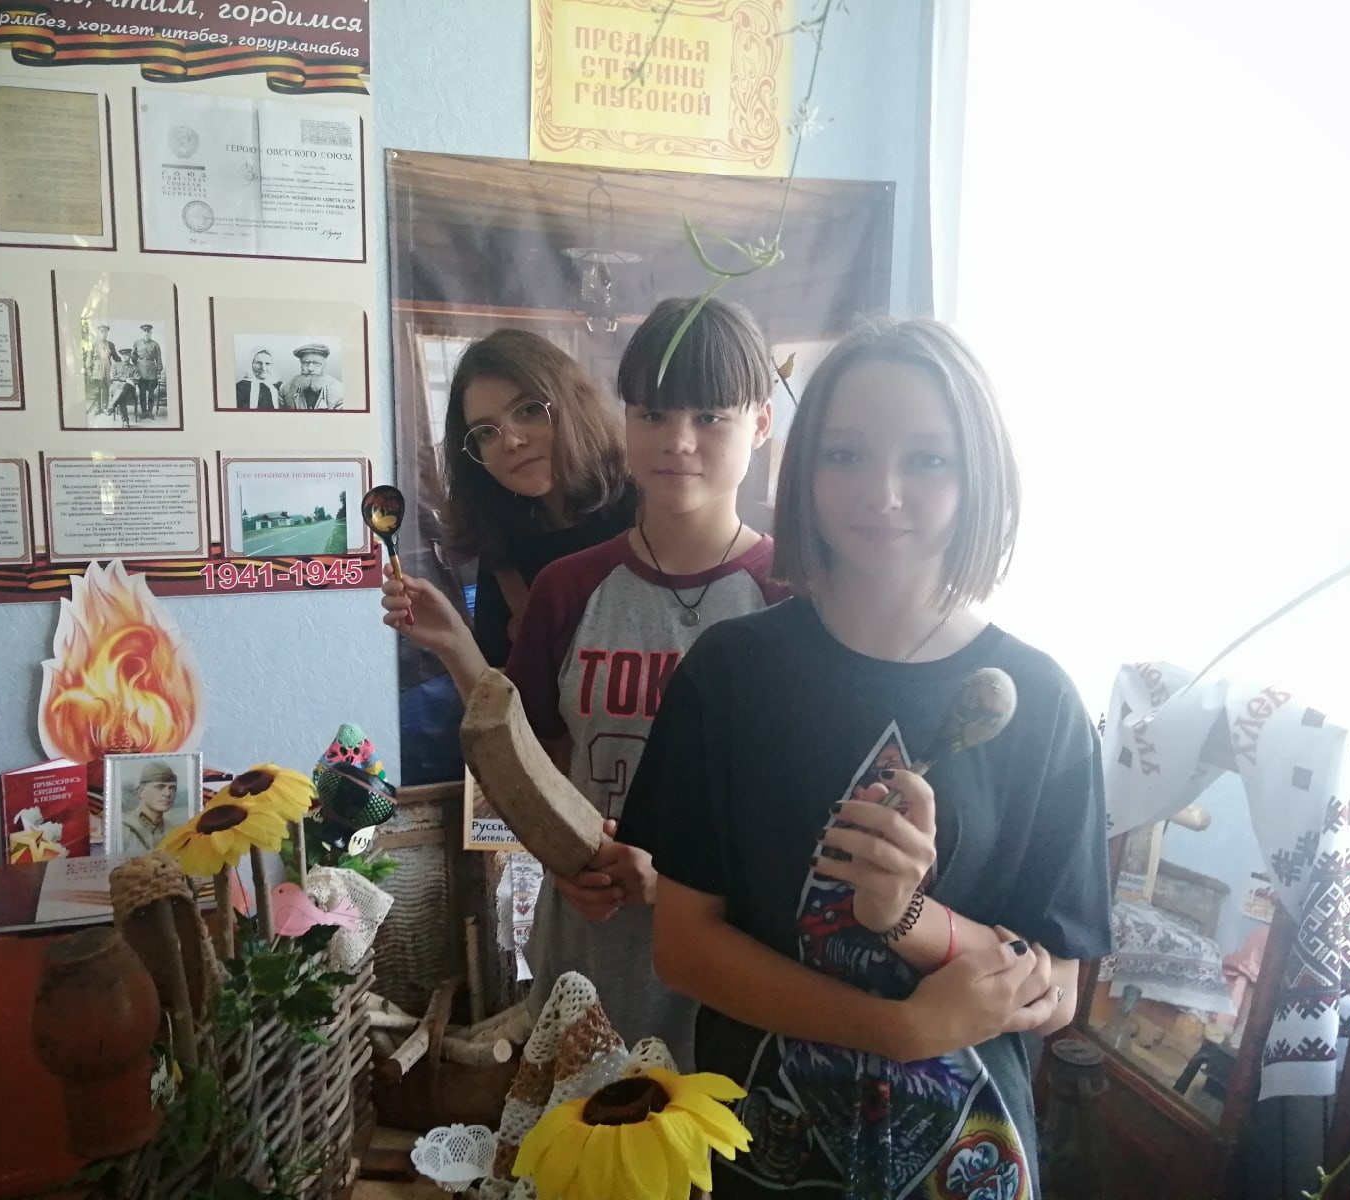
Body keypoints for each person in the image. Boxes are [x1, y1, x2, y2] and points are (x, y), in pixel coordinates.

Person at [618, 316, 1114, 1199]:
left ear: (979, 473)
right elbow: (685, 949)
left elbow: (1056, 989)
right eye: (845, 455)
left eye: (928, 460)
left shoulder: (1040, 702)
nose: (882, 493)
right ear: (803, 468)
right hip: (759, 1151)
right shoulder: (731, 674)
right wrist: (899, 1029)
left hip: (968, 1158)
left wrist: (907, 916)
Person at [382, 297, 786, 1067]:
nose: (677, 441)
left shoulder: (793, 596)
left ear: (761, 423)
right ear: (625, 419)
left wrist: (678, 881)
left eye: (709, 416)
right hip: (588, 961)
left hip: (735, 984)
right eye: (654, 414)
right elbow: (530, 764)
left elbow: (803, 817)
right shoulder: (567, 589)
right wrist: (564, 858)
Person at [440, 328, 637, 667]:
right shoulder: (501, 551)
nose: (511, 441)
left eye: (528, 410)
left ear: (574, 405)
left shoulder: (650, 513)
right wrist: (453, 643)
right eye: (486, 432)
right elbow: (502, 692)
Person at [122, 761, 179, 853]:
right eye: (160, 787)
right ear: (141, 791)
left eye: (172, 788)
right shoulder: (123, 829)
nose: (168, 793)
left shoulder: (174, 831)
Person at [280, 343, 344, 409]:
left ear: (324, 365)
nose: (310, 368)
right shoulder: (286, 389)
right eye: (306, 362)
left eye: (316, 363)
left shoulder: (340, 391)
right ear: (301, 364)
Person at [132, 323, 163, 420]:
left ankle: (150, 412)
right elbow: (133, 355)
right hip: (140, 371)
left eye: (148, 332)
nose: (146, 333)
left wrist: (159, 372)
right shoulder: (137, 343)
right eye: (144, 331)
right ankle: (144, 412)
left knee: (151, 393)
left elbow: (159, 359)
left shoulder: (155, 345)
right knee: (142, 393)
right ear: (142, 333)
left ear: (151, 333)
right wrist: (134, 362)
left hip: (151, 372)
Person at [86, 324, 116, 417]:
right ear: (99, 333)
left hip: (107, 368)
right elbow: (89, 358)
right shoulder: (94, 344)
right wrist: (89, 370)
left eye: (105, 332)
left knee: (106, 388)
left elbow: (116, 357)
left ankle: (104, 408)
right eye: (102, 332)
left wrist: (124, 363)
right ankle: (98, 407)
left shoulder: (111, 344)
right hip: (97, 368)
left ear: (107, 333)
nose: (104, 334)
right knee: (97, 389)